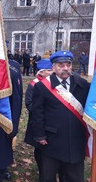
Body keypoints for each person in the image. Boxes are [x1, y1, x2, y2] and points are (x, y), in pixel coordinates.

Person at [32, 51, 90, 182]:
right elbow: (37, 112)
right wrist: (40, 135)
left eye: (68, 64)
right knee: (47, 177)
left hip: (75, 141)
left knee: (75, 178)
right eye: (61, 65)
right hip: (52, 141)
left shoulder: (82, 84)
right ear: (53, 67)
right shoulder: (42, 87)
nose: (65, 68)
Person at [24, 59, 68, 182]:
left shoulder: (58, 83)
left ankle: (62, 173)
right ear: (42, 72)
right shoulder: (34, 84)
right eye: (49, 70)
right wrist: (45, 113)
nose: (51, 72)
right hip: (39, 123)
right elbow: (29, 103)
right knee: (40, 150)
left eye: (51, 69)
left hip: (56, 125)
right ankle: (43, 174)